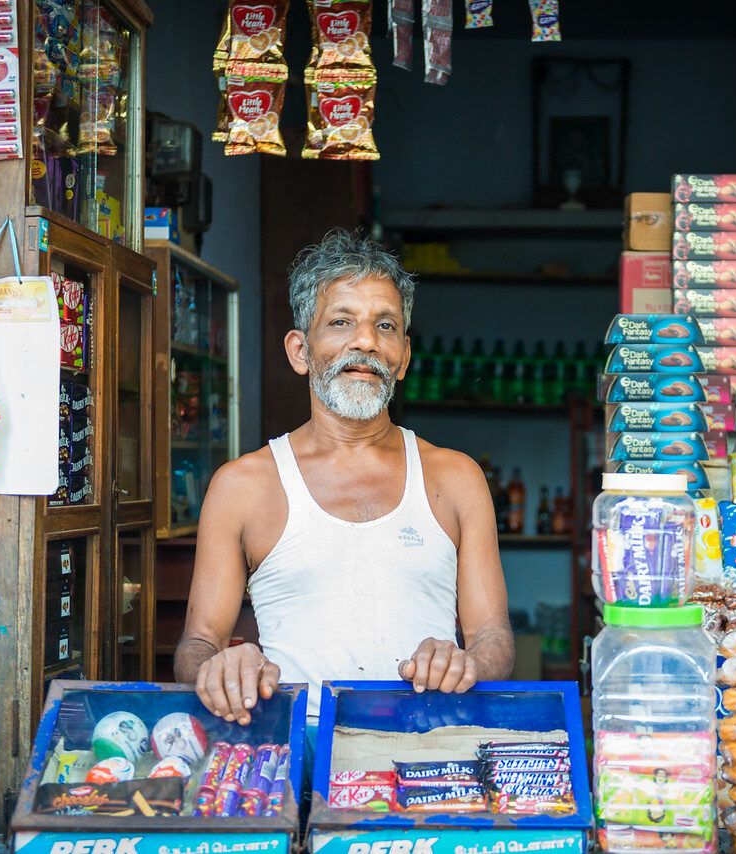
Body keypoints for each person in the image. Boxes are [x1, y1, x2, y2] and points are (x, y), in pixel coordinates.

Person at [174, 230, 515, 727]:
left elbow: (493, 638)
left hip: (426, 750)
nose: (366, 341)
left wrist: (467, 663)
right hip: (299, 751)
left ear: (404, 357)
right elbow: (198, 643)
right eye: (341, 322)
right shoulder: (243, 486)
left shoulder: (456, 478)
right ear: (300, 350)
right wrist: (220, 666)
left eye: (385, 325)